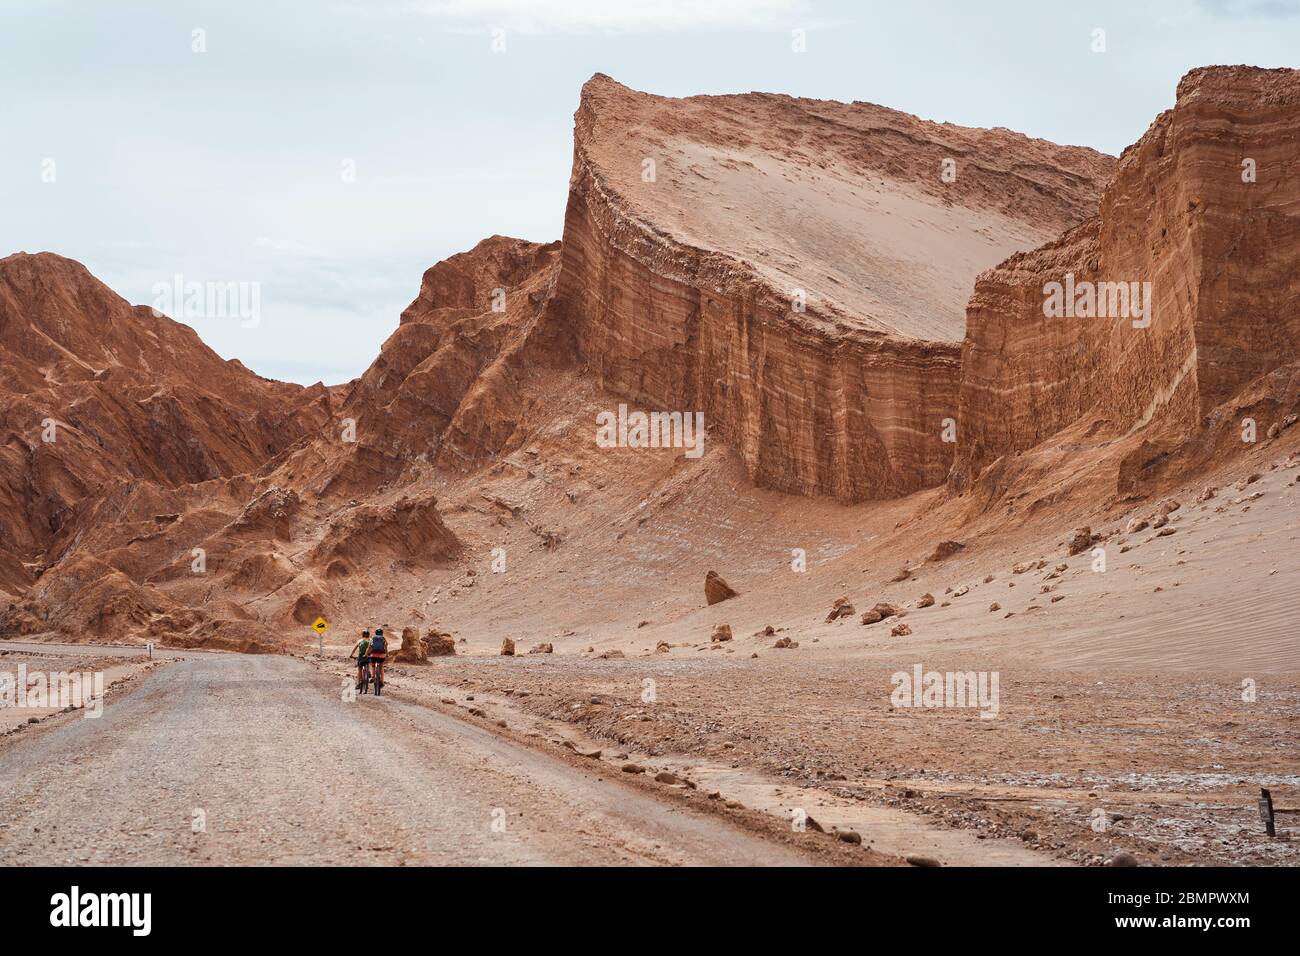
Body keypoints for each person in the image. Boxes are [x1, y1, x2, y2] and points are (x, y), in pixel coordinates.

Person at [369, 627, 387, 696]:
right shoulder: (383, 638)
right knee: (381, 667)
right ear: (382, 633)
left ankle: (373, 676)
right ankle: (382, 681)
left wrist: (368, 653)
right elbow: (386, 646)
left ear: (375, 633)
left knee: (373, 665)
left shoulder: (373, 638)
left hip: (373, 655)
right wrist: (387, 654)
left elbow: (370, 647)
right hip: (382, 655)